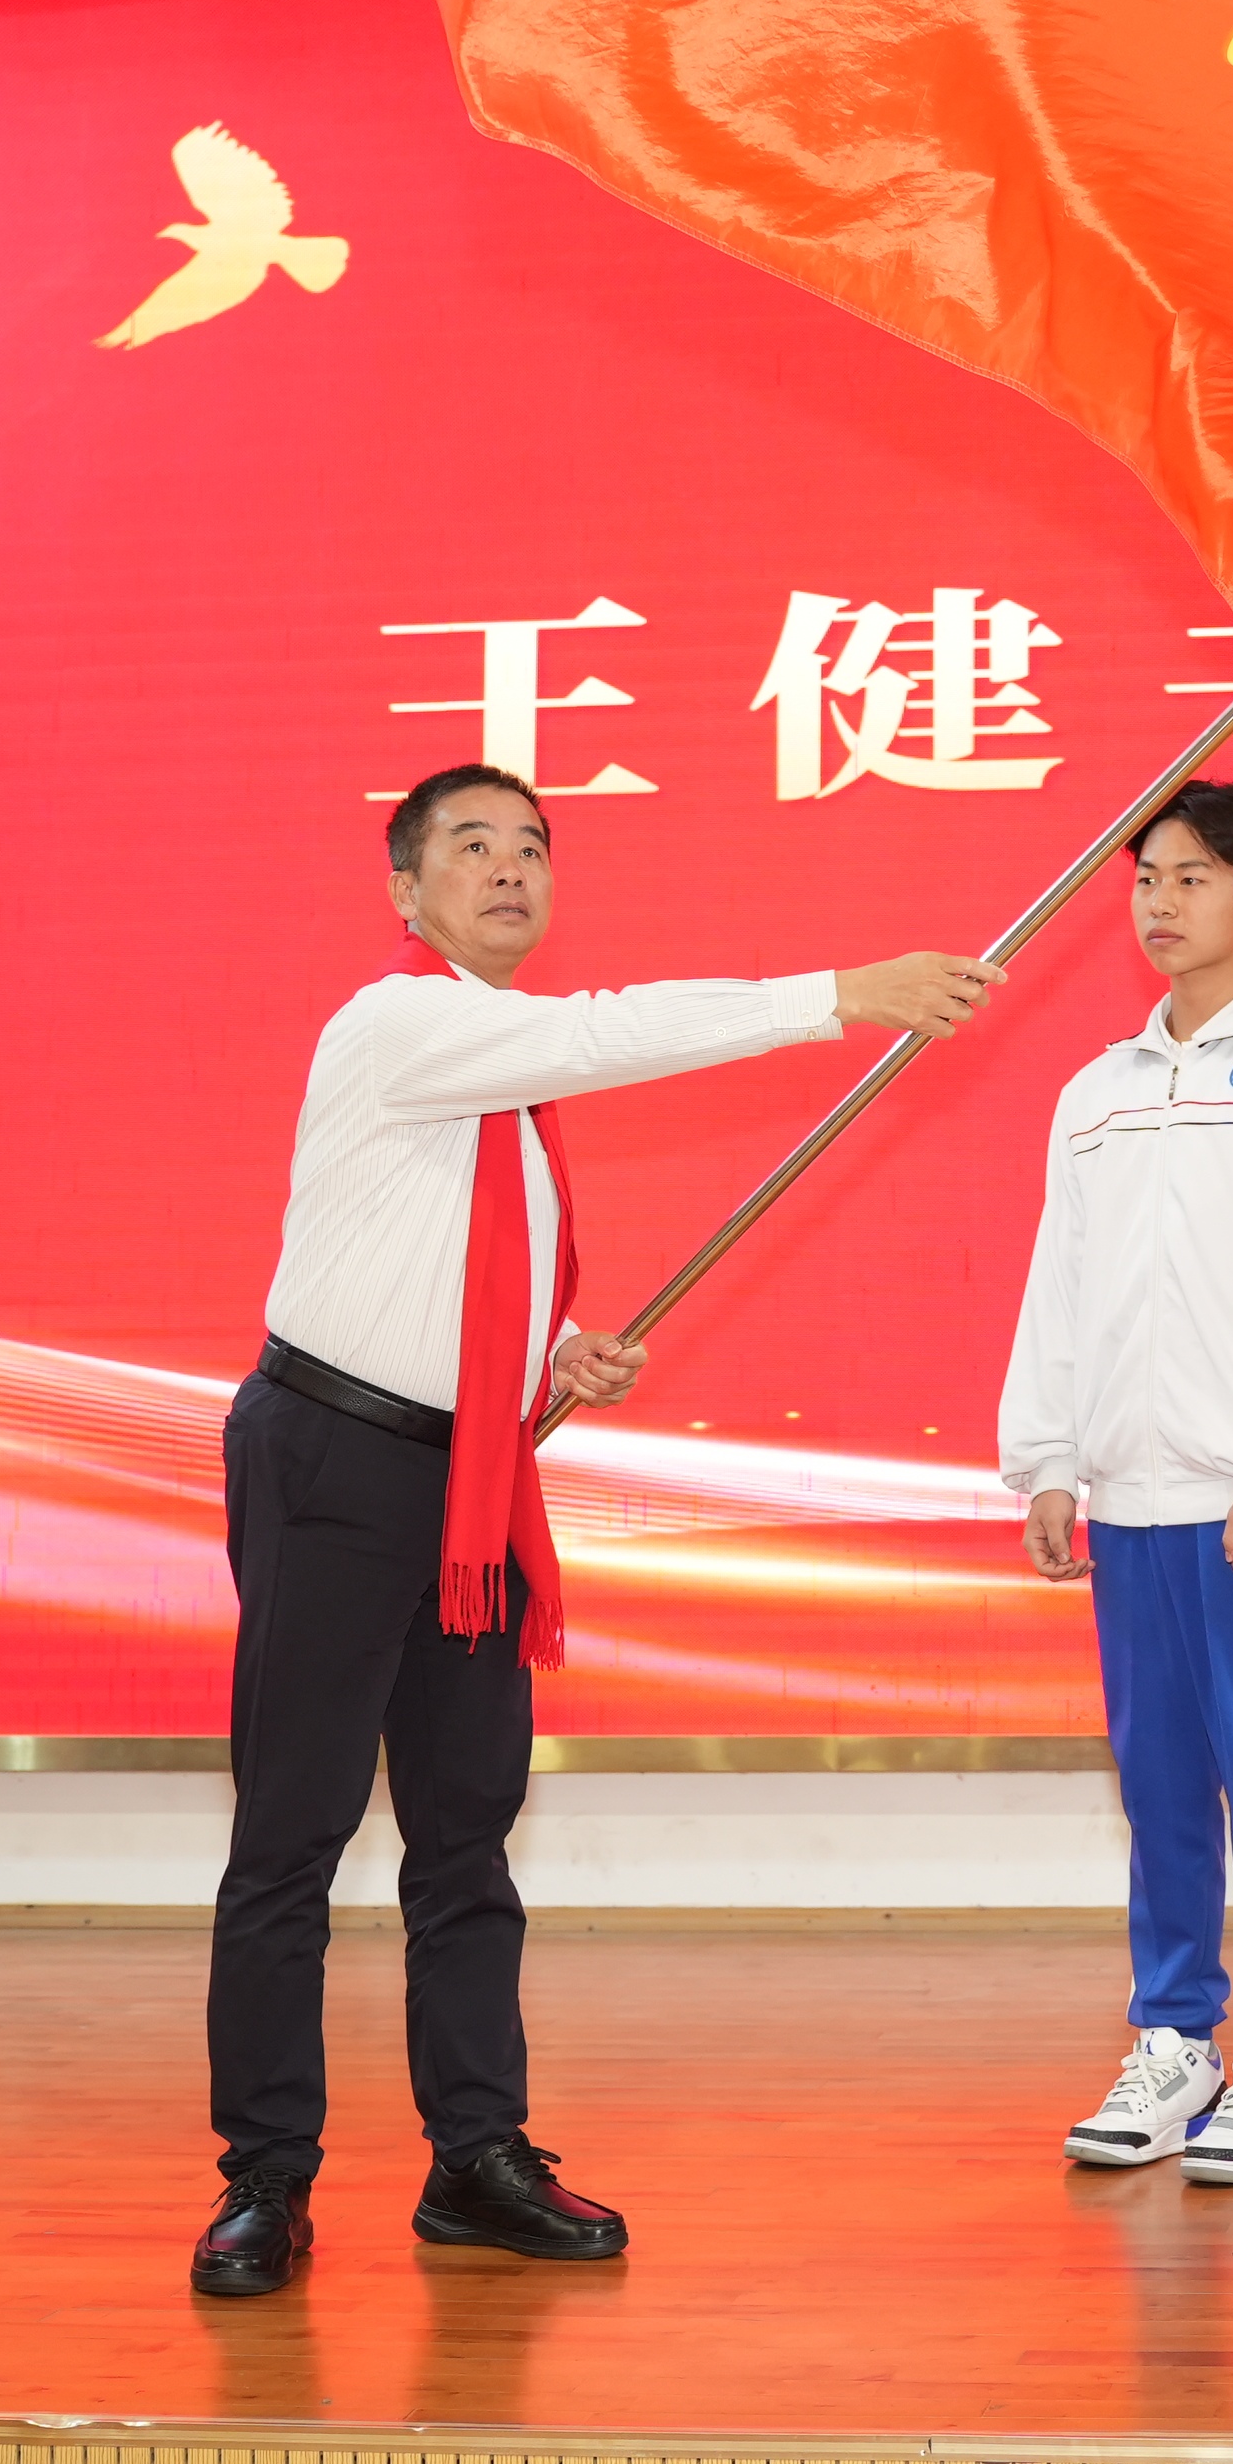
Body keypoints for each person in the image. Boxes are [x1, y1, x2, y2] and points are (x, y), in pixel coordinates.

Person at [191, 763, 1002, 2298]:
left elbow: (444, 1276)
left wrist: (553, 1358)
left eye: (533, 847)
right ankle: (265, 2180)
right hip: (333, 1467)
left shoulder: (501, 1088)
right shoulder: (399, 1022)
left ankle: (475, 2157)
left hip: (469, 1484)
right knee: (292, 1835)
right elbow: (602, 1030)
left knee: (466, 1835)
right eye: (473, 847)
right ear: (404, 888)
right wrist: (839, 995)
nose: (511, 870)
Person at [999, 779, 1233, 2187]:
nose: (1160, 904)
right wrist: (1049, 1457)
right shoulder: (1095, 1093)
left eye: (1193, 878)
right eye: (1146, 879)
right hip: (1128, 1502)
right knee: (1157, 1789)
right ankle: (1174, 2039)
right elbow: (1060, 1285)